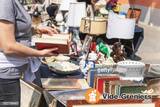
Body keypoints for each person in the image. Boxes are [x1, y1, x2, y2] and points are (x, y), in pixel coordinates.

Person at [0, 0, 58, 106]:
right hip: (6, 74)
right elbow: (8, 46)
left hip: (11, 72)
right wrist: (39, 53)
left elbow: (15, 29)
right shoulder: (5, 2)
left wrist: (36, 29)